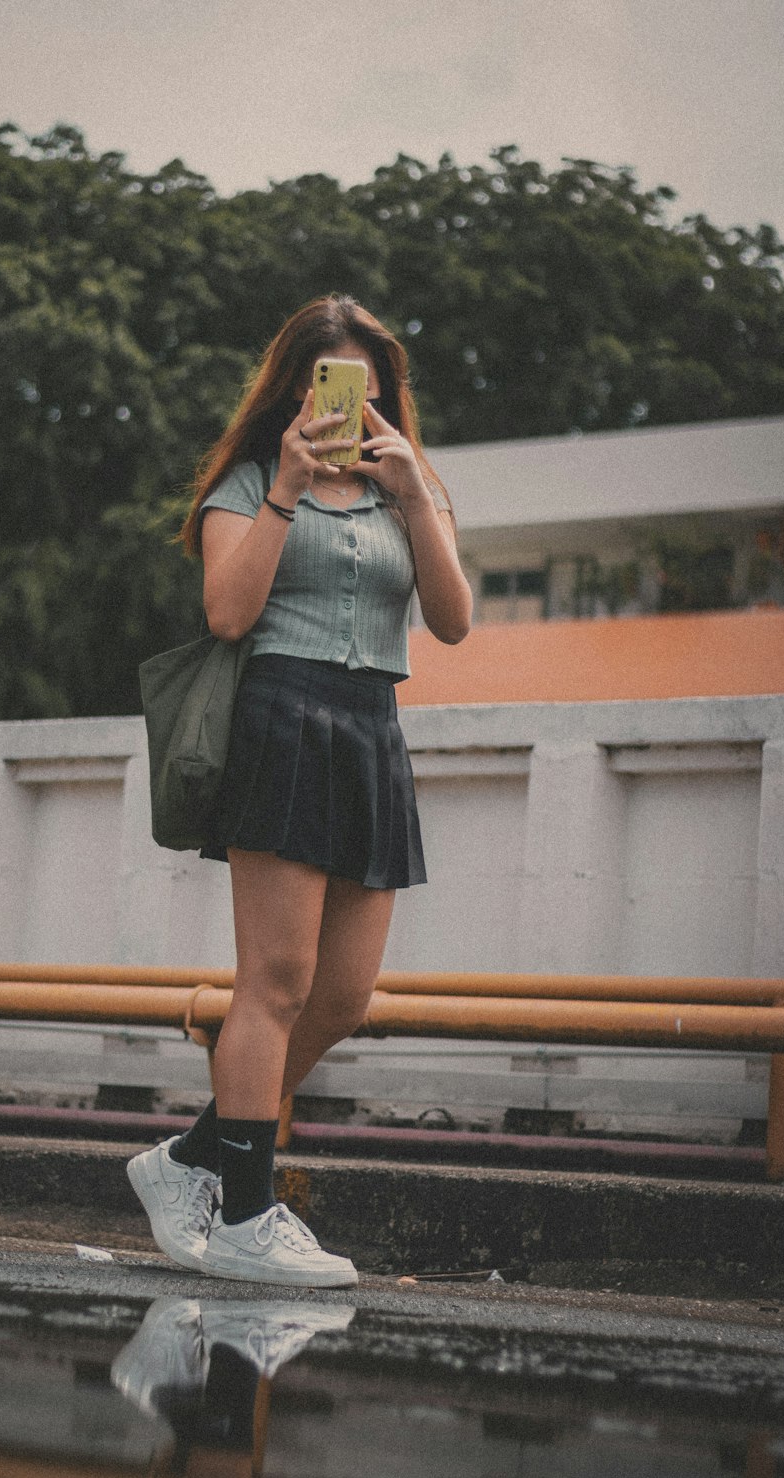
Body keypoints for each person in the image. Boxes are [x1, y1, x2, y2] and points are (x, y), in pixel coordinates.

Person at [129, 293, 472, 1287]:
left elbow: (449, 624)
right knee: (273, 983)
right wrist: (283, 483)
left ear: (383, 395)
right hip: (279, 719)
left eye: (362, 387)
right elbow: (229, 614)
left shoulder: (413, 486)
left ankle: (192, 1158)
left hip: (371, 728)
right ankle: (244, 1216)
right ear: (294, 390)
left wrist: (411, 493)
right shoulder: (248, 478)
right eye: (326, 384)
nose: (344, 405)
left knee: (342, 995)